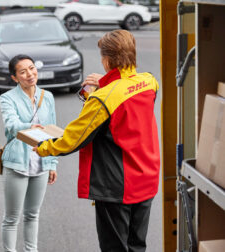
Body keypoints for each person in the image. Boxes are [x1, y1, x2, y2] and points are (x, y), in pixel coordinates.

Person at [33, 30, 160, 252]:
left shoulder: (103, 99)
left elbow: (74, 138)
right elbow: (125, 98)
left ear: (107, 59)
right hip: (146, 178)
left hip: (118, 186)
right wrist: (105, 84)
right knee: (137, 245)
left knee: (115, 248)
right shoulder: (149, 82)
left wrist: (44, 148)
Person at [0, 54, 58, 252]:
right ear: (15, 78)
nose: (29, 74)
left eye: (31, 68)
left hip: (40, 163)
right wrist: (31, 126)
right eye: (23, 72)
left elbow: (51, 131)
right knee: (11, 218)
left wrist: (52, 164)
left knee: (33, 215)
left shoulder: (47, 97)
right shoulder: (7, 98)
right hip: (17, 164)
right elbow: (11, 126)